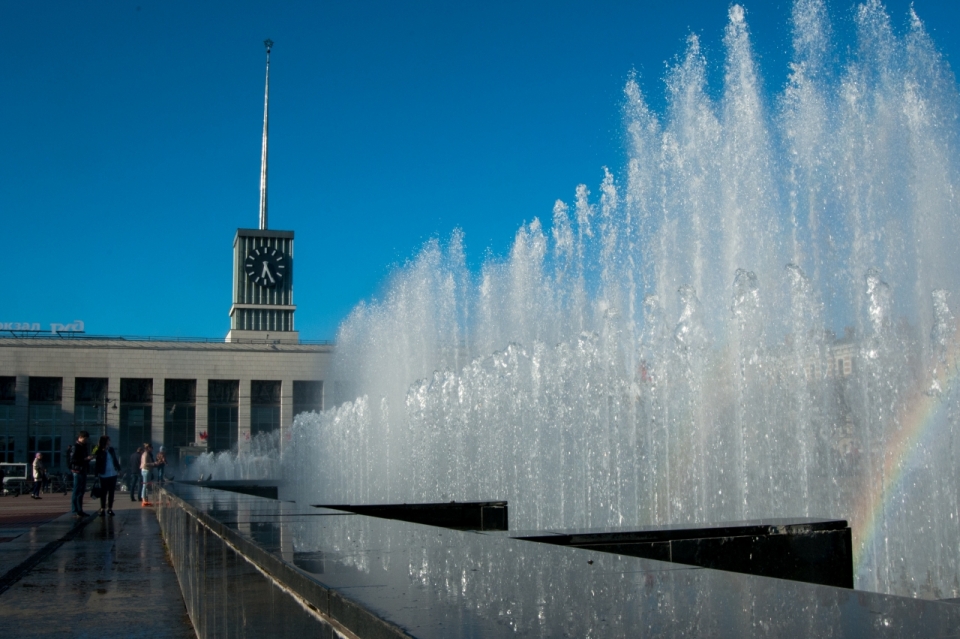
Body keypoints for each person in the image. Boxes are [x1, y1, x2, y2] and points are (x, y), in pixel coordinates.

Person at [93, 435, 121, 516]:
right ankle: (102, 509)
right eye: (109, 440)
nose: (110, 441)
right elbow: (97, 463)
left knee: (111, 492)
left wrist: (119, 469)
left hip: (113, 473)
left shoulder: (111, 450)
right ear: (105, 441)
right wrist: (96, 474)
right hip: (104, 473)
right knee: (103, 492)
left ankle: (110, 508)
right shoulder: (99, 450)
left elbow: (115, 459)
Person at [69, 431, 93, 517]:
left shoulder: (83, 447)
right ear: (80, 437)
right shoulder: (76, 447)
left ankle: (79, 510)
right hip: (77, 471)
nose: (86, 440)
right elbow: (72, 460)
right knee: (77, 490)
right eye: (85, 438)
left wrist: (88, 459)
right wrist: (85, 459)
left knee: (81, 491)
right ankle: (75, 510)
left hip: (82, 470)